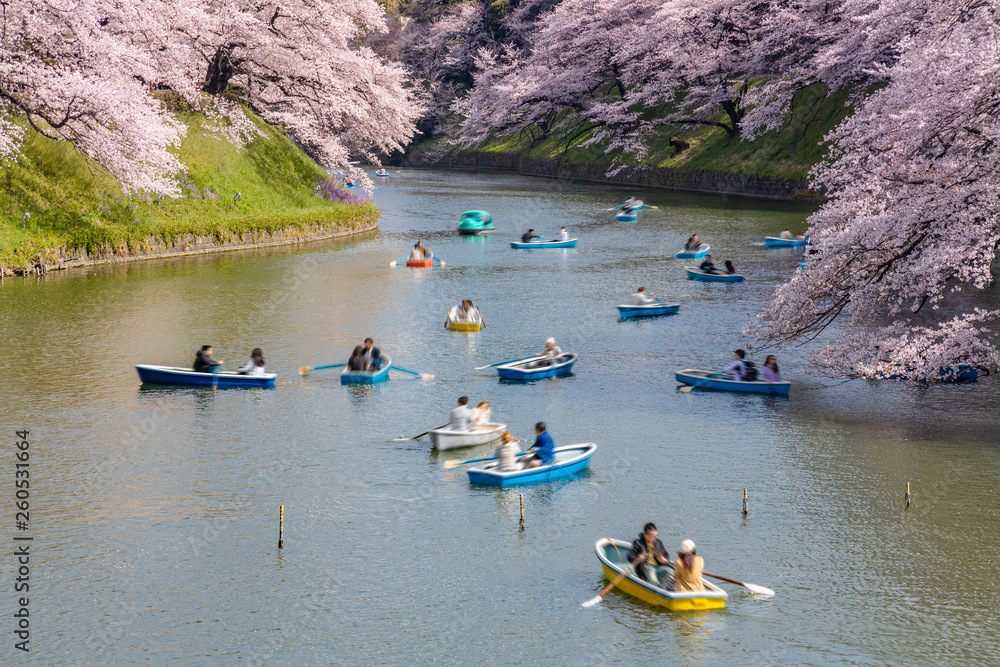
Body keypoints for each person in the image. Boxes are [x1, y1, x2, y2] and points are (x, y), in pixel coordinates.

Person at [628, 523, 670, 587]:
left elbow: (666, 554)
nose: (654, 538)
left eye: (656, 536)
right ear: (645, 535)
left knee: (670, 570)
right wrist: (638, 558)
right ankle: (657, 587)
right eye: (652, 536)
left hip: (658, 568)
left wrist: (665, 559)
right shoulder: (638, 543)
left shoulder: (659, 543)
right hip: (645, 569)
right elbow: (630, 556)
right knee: (651, 570)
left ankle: (669, 587)